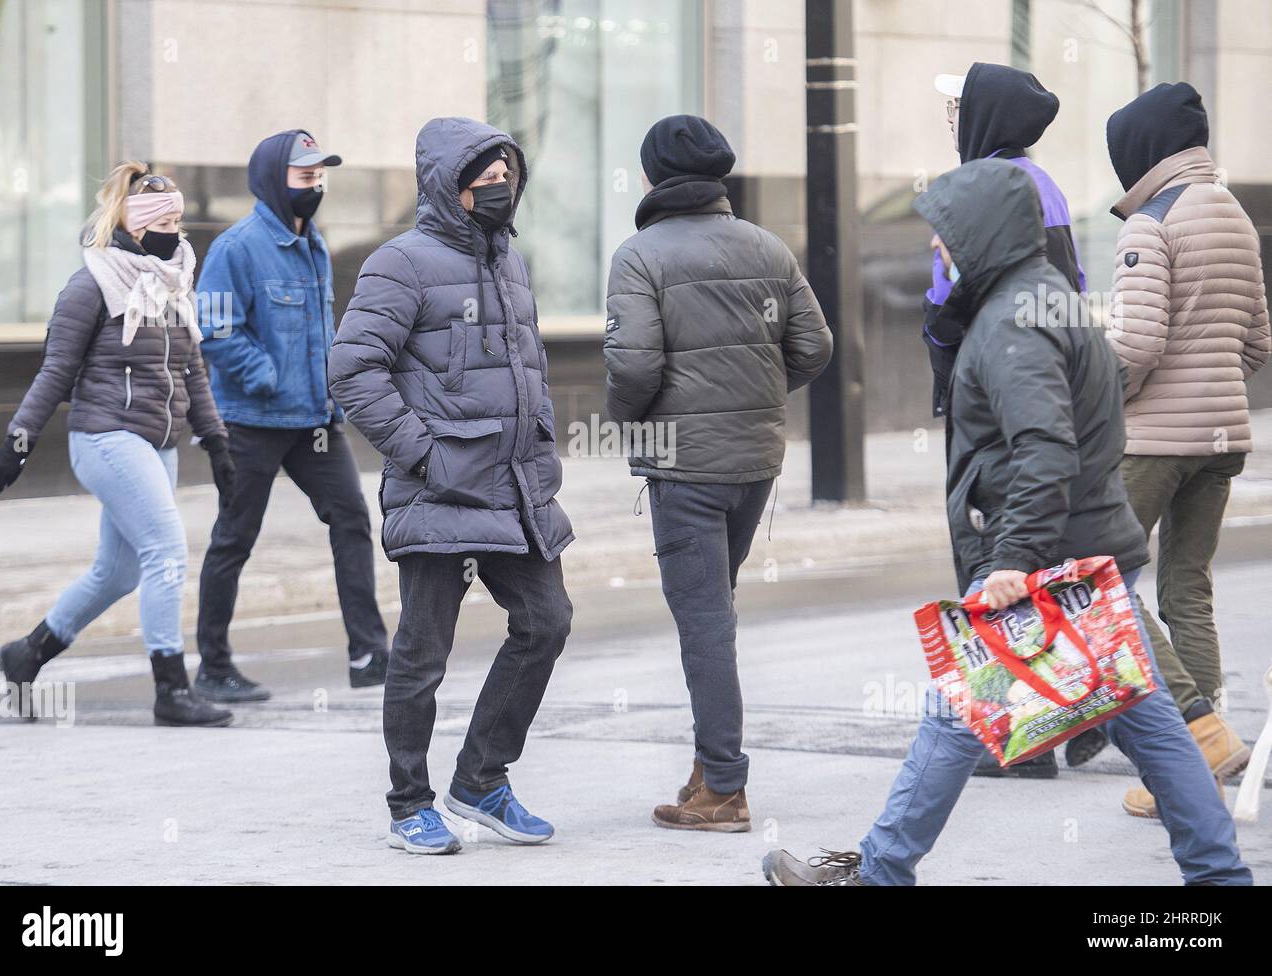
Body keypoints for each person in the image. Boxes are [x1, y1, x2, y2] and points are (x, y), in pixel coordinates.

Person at [762, 159, 1252, 886]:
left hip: (1053, 562)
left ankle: (882, 872)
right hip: (1084, 549)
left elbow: (1046, 448)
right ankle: (1218, 877)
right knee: (1145, 717)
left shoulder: (1013, 323)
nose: (936, 249)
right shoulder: (1043, 299)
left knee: (960, 708)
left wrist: (1010, 559)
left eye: (945, 236)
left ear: (981, 236)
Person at [329, 117, 573, 856]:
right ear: (450, 186)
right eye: (485, 180)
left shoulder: (510, 263)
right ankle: (410, 803)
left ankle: (480, 779)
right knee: (423, 650)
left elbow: (525, 373)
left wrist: (540, 448)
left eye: (508, 177)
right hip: (439, 488)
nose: (500, 190)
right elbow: (352, 371)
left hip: (513, 487)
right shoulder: (399, 263)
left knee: (547, 621)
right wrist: (424, 455)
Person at [603, 115, 832, 832]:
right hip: (753, 461)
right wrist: (754, 396)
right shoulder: (767, 247)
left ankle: (725, 788)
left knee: (705, 626)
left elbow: (633, 364)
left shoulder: (639, 256)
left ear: (651, 178)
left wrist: (628, 417)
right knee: (716, 612)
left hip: (684, 464)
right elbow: (815, 346)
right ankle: (709, 766)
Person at [0, 163, 235, 727]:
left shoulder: (171, 281)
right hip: (105, 438)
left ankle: (27, 654)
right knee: (166, 553)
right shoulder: (94, 283)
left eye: (179, 219)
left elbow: (192, 367)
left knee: (118, 573)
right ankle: (171, 690)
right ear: (136, 225)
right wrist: (16, 446)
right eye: (165, 221)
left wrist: (215, 442)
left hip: (158, 442)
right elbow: (54, 371)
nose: (178, 231)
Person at [1104, 83, 1270, 819]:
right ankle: (1200, 764)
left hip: (1155, 443)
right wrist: (1210, 391)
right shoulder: (1235, 214)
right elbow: (1258, 345)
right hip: (1224, 436)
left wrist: (1094, 397)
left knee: (1098, 585)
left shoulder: (1151, 222)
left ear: (1139, 151)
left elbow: (1134, 347)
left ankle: (1196, 733)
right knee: (1186, 591)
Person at [929, 62, 1096, 777]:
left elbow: (946, 304)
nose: (950, 119)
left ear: (984, 116)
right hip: (1032, 386)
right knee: (1036, 554)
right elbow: (1073, 288)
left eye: (957, 107)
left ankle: (1018, 741)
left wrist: (949, 357)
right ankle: (1082, 710)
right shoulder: (1044, 184)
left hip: (992, 396)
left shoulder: (986, 191)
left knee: (991, 556)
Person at [193, 130, 389, 702]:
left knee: (352, 522)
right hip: (251, 424)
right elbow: (216, 330)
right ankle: (213, 667)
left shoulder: (314, 243)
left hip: (315, 423)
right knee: (234, 538)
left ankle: (369, 653)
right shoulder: (236, 248)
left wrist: (330, 391)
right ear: (274, 180)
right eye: (305, 177)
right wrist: (270, 378)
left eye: (320, 176)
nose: (316, 185)